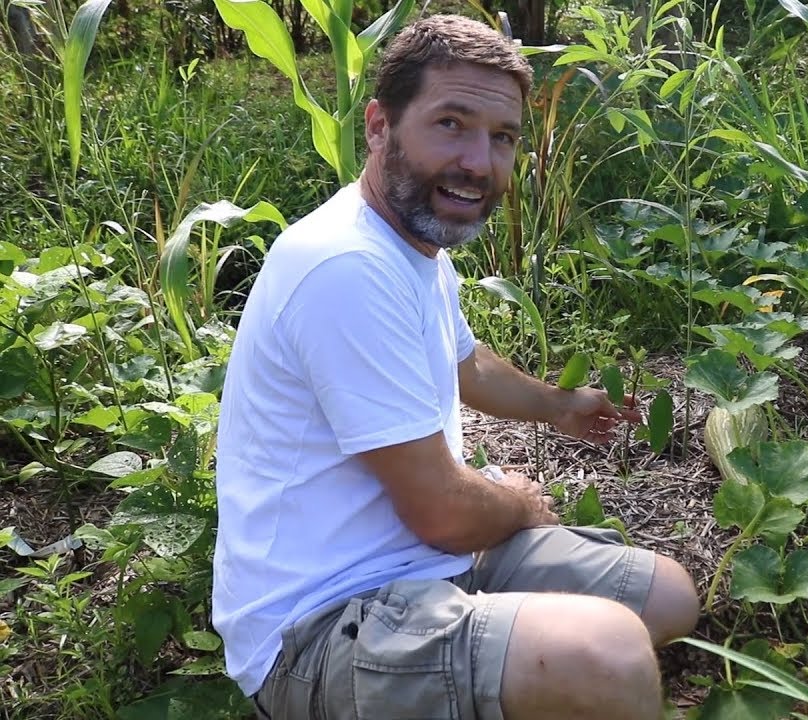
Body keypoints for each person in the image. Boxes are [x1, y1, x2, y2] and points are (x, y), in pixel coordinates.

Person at [211, 14, 700, 720]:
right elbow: (442, 510)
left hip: (430, 562)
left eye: (501, 137)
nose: (479, 161)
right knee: (610, 655)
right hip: (318, 625)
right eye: (451, 124)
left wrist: (560, 405)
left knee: (668, 594)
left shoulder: (409, 245)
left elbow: (465, 361)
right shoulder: (344, 266)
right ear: (379, 126)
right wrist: (518, 503)